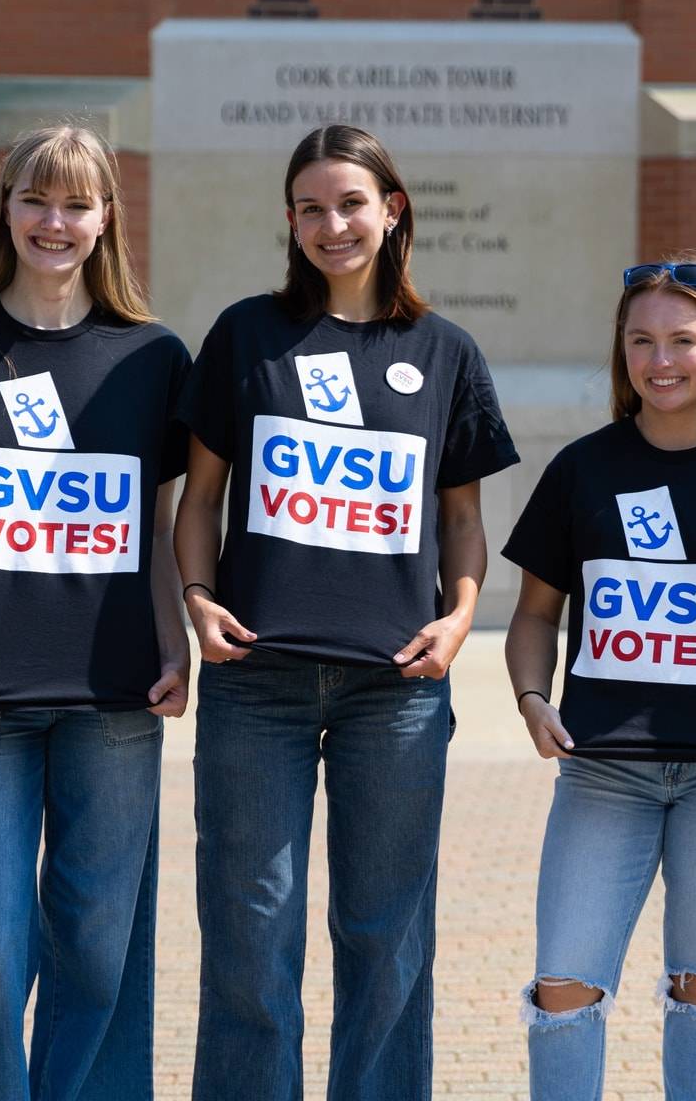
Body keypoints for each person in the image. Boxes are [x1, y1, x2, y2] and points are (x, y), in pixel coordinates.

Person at [175, 124, 518, 1099]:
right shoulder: (248, 335)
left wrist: (457, 620)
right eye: (312, 207)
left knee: (388, 936)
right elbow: (199, 500)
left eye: (352, 203)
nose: (334, 223)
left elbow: (462, 520)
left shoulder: (445, 351)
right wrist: (198, 599)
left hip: (396, 691)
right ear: (290, 220)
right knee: (250, 928)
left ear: (393, 208)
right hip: (256, 683)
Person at [0, 126, 191, 1099]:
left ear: (107, 218)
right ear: (5, 207)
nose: (54, 222)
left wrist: (175, 638)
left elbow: (156, 523)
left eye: (76, 203)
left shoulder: (153, 358)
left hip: (114, 699)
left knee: (98, 951)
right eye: (35, 199)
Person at [503, 256, 696, 1101]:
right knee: (565, 986)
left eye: (682, 339)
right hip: (603, 773)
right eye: (641, 340)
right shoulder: (583, 468)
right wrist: (533, 698)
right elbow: (536, 613)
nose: (660, 359)